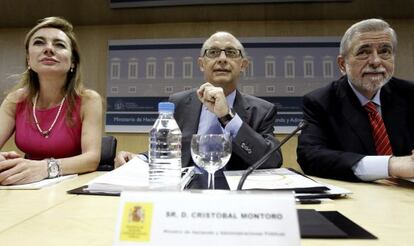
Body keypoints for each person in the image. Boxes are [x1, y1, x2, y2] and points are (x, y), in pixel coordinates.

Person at [115, 31, 282, 170]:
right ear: (202, 64)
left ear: (243, 65)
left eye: (231, 53)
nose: (222, 58)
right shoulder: (179, 102)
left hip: (235, 197)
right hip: (186, 192)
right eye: (213, 52)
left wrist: (228, 117)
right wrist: (140, 158)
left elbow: (271, 161)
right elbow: (166, 150)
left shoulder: (262, 110)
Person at [297, 18, 414, 181]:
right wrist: (390, 166)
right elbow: (310, 157)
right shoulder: (321, 102)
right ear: (342, 64)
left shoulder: (409, 94)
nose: (376, 61)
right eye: (363, 52)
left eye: (385, 51)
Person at [0, 17, 103, 185]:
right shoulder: (15, 100)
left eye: (59, 45)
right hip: (24, 186)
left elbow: (91, 159)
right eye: (39, 43)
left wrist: (45, 168)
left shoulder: (88, 100)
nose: (48, 49)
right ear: (28, 59)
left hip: (73, 186)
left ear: (73, 62)